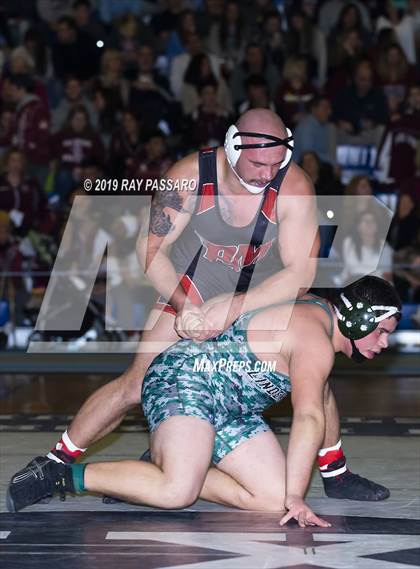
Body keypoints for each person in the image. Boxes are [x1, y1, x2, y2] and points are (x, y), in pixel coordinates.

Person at [31, 109, 385, 501]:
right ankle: (56, 462)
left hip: (262, 293)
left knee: (314, 366)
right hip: (190, 289)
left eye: (276, 163)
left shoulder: (294, 185)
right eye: (257, 163)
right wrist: (186, 306)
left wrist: (235, 306)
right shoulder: (189, 176)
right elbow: (149, 251)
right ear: (233, 148)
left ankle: (334, 471)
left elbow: (300, 273)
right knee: (136, 383)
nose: (268, 174)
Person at [6, 276, 402, 521]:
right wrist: (299, 496)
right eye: (381, 331)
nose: (384, 343)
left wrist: (296, 492)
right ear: (358, 319)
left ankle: (149, 472)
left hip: (230, 408)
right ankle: (60, 476)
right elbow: (309, 418)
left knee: (270, 499)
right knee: (176, 491)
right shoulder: (313, 336)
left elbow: (320, 402)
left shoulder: (320, 328)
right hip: (185, 381)